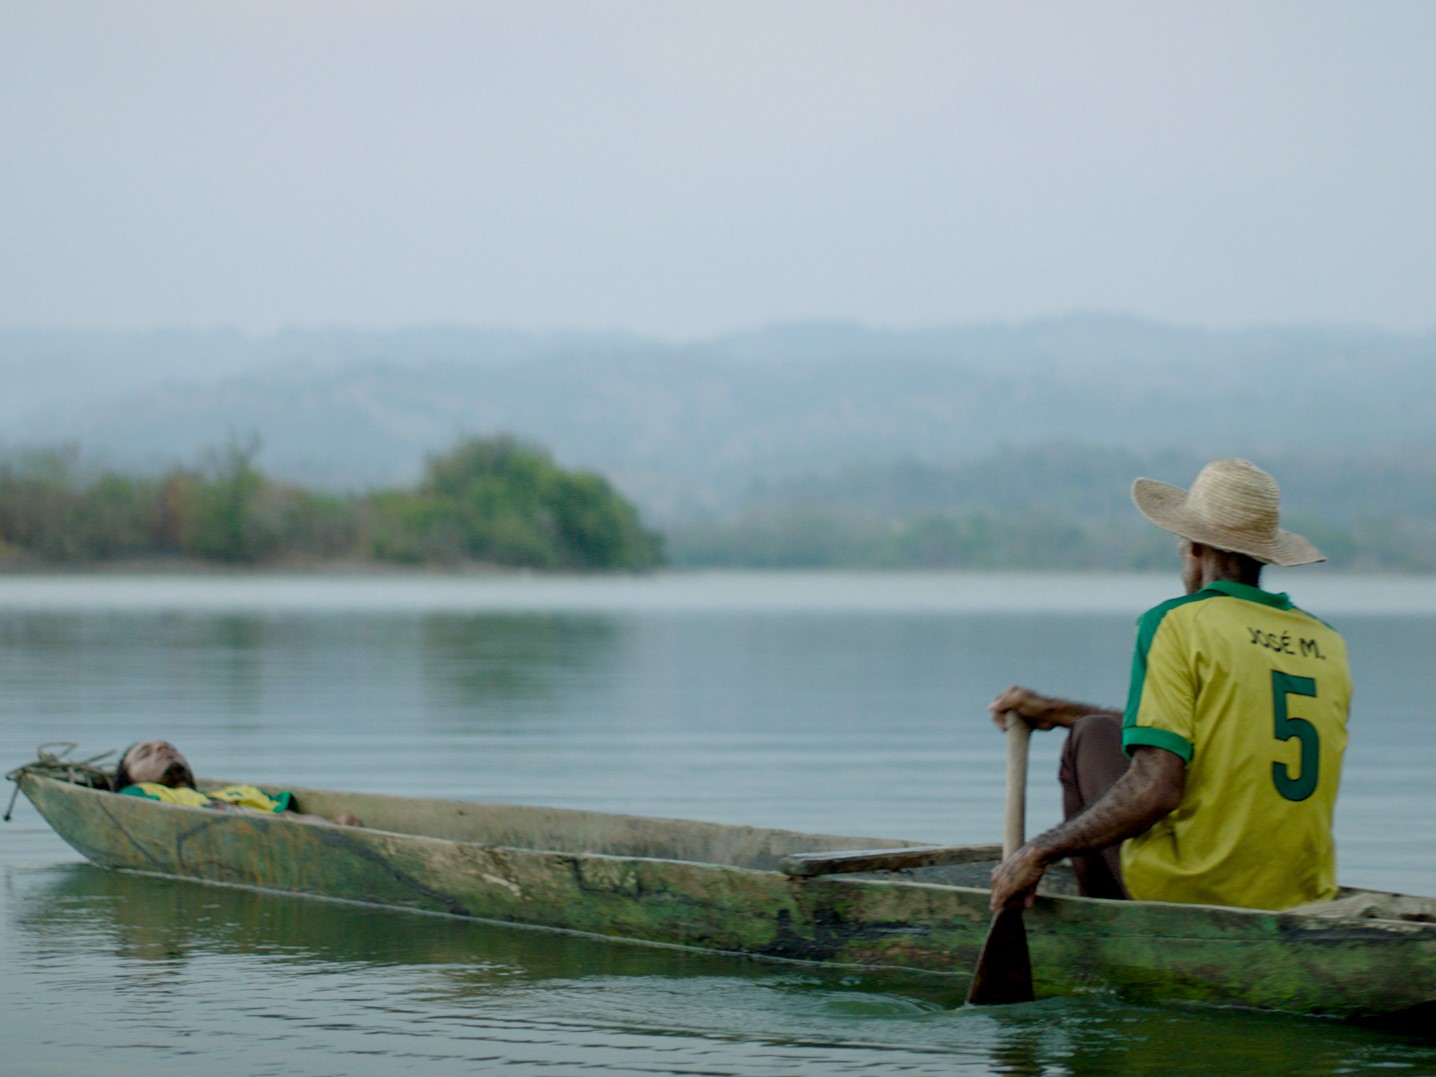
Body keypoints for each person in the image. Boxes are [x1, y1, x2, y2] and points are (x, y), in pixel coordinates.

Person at [986, 458, 1351, 913]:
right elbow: (1211, 739)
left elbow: (1157, 787)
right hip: (1300, 894)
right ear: (1264, 554)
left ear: (1194, 547)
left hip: (1197, 888)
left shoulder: (1176, 623)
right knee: (1092, 726)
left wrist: (1037, 851)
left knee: (1090, 738)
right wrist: (1054, 710)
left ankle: (1108, 943)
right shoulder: (1326, 641)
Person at [114, 740, 363, 827]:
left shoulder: (239, 792)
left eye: (169, 748)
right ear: (131, 776)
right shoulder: (138, 793)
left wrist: (334, 823)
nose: (163, 750)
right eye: (146, 754)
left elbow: (285, 812)